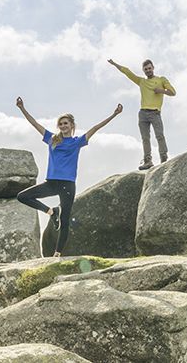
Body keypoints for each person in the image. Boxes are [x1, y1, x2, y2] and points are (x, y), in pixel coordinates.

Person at [15, 97, 122, 257]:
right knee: (22, 196)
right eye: (61, 123)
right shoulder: (52, 139)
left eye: (66, 123)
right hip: (51, 182)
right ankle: (51, 211)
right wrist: (22, 108)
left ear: (72, 125)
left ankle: (57, 253)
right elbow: (35, 124)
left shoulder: (77, 142)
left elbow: (95, 128)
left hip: (67, 185)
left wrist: (114, 114)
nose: (63, 126)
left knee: (65, 220)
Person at [107, 58, 175, 170]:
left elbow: (173, 92)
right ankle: (148, 161)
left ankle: (164, 158)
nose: (148, 70)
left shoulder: (161, 80)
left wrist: (161, 91)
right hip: (143, 113)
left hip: (155, 113)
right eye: (146, 69)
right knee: (145, 138)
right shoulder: (141, 82)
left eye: (149, 68)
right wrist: (114, 64)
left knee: (159, 135)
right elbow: (127, 72)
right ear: (143, 70)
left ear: (153, 68)